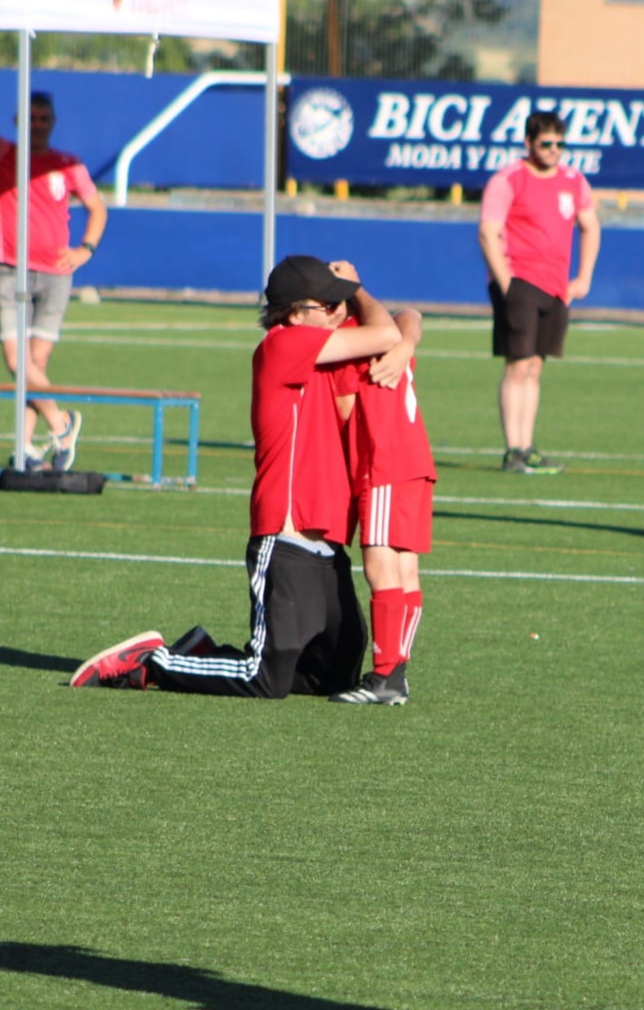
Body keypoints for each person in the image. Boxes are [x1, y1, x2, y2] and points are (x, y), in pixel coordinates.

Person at [70, 254, 404, 701]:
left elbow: (406, 321)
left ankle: (202, 654)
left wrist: (401, 340)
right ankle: (151, 662)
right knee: (263, 677)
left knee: (337, 675)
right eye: (329, 303)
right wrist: (361, 292)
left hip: (326, 546)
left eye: (342, 302)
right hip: (284, 537)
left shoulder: (327, 341)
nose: (341, 309)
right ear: (294, 312)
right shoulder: (284, 344)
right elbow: (387, 332)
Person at [478, 110, 601, 475]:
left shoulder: (574, 180)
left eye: (560, 144)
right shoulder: (509, 179)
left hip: (555, 287)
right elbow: (488, 231)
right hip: (521, 282)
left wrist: (583, 279)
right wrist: (507, 283)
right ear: (529, 143)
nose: (554, 150)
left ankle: (528, 446)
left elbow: (591, 227)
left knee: (535, 366)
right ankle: (512, 448)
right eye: (546, 143)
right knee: (517, 365)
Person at [327, 307, 437, 705]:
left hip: (383, 463)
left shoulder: (350, 343)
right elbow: (411, 313)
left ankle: (386, 675)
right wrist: (408, 342)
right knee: (405, 567)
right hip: (414, 460)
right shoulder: (386, 331)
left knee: (379, 564)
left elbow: (342, 412)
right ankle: (397, 672)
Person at [0, 90, 108, 472]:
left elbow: (97, 208)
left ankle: (26, 448)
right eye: (31, 118)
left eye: (44, 118)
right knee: (17, 360)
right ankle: (61, 423)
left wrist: (85, 250)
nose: (38, 125)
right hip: (11, 269)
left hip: (55, 275)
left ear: (53, 122)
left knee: (37, 362)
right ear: (17, 122)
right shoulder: (7, 156)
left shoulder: (66, 163)